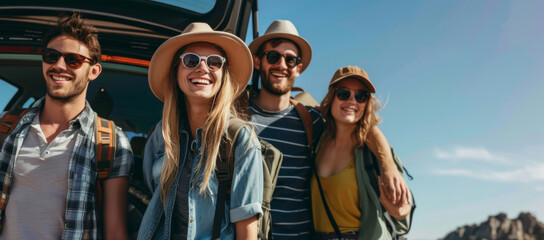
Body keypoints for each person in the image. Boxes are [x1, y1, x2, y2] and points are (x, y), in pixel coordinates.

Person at [246, 20, 409, 239]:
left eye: (290, 59)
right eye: (273, 57)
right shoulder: (235, 116)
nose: (282, 65)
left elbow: (358, 124)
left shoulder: (310, 120)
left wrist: (387, 164)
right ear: (258, 61)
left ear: (299, 68)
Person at [0, 14, 133, 239]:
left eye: (73, 60)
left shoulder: (111, 142)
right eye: (52, 56)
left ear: (94, 71)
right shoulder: (6, 127)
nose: (59, 66)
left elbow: (114, 231)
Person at [138, 22, 263, 240]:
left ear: (224, 75)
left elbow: (247, 229)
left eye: (214, 62)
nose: (203, 68)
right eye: (191, 60)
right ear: (176, 71)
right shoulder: (161, 135)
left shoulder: (239, 137)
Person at [312, 66, 413, 240]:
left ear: (366, 103)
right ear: (331, 97)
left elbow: (403, 211)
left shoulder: (374, 152)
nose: (352, 101)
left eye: (361, 96)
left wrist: (399, 211)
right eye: (344, 94)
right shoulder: (317, 137)